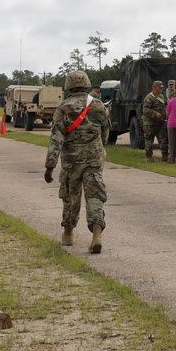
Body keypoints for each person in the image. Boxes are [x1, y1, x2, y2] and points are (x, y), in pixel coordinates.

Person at [43, 69, 110, 253]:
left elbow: (56, 138)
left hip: (71, 162)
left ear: (69, 85)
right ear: (87, 83)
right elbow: (105, 133)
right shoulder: (98, 105)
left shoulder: (64, 107)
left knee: (71, 197)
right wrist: (99, 150)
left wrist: (50, 165)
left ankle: (68, 233)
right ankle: (97, 233)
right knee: (95, 195)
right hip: (94, 159)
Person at [142, 80, 168, 162]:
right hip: (150, 123)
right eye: (160, 87)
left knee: (163, 140)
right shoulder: (149, 97)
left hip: (160, 122)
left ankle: (165, 156)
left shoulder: (161, 97)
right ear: (155, 87)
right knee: (149, 140)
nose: (161, 89)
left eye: (162, 87)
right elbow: (145, 109)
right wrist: (154, 113)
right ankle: (149, 157)